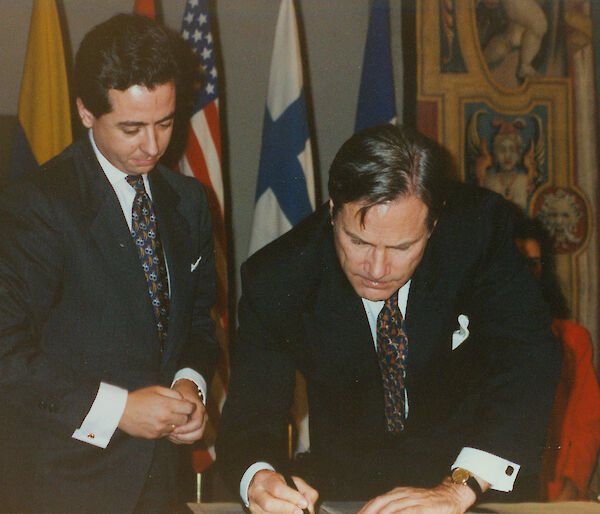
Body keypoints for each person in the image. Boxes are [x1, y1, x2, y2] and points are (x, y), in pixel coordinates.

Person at [216, 124, 561, 513]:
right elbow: (250, 415)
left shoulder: (476, 229)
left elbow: (528, 358)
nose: (376, 269)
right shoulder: (278, 278)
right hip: (351, 492)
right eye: (358, 241)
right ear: (333, 212)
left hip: (477, 482)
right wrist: (259, 478)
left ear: (433, 225)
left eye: (401, 247)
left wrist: (458, 489)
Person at [0, 14, 218, 513]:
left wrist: (190, 385)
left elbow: (199, 326)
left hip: (162, 486)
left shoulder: (188, 200)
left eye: (165, 123)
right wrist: (120, 410)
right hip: (60, 486)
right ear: (84, 112)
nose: (153, 146)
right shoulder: (37, 206)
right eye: (131, 127)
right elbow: (5, 355)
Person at [513, 215, 600, 501]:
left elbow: (587, 424)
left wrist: (572, 483)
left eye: (534, 263)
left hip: (555, 493)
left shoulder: (573, 339)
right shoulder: (473, 332)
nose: (526, 273)